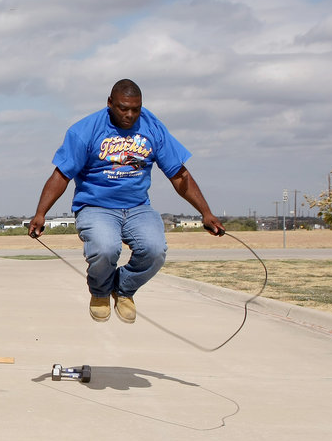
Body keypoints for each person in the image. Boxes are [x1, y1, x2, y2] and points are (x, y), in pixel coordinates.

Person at [27, 79, 224, 324]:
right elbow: (62, 175)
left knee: (155, 251)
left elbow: (179, 174)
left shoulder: (153, 127)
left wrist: (206, 213)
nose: (130, 115)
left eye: (135, 109)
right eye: (123, 108)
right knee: (105, 248)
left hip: (137, 207)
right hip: (96, 206)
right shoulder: (85, 131)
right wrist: (40, 213)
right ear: (110, 103)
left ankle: (123, 289)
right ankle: (100, 292)